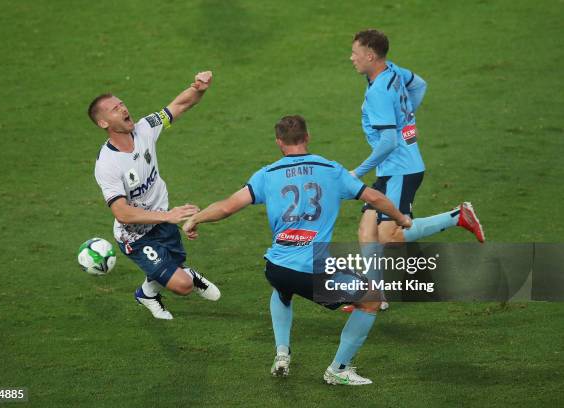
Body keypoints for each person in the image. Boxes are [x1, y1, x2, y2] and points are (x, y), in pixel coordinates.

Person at [182, 115, 417, 385]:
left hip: (277, 267)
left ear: (279, 143)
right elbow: (374, 197)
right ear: (307, 137)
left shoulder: (267, 174)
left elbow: (226, 206)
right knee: (371, 300)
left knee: (283, 287)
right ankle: (338, 370)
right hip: (311, 270)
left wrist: (195, 218)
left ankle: (282, 352)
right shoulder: (331, 170)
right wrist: (401, 218)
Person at [346, 29, 485, 311]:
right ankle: (376, 295)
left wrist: (356, 173)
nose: (352, 58)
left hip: (401, 168)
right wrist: (407, 117)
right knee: (366, 229)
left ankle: (458, 216)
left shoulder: (379, 93)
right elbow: (419, 84)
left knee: (389, 237)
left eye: (355, 53)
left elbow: (387, 142)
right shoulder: (393, 71)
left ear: (370, 56)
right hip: (393, 168)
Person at [88, 71, 220, 321]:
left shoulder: (145, 129)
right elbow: (121, 212)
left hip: (163, 221)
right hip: (135, 235)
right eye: (115, 109)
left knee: (173, 265)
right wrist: (167, 216)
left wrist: (199, 88)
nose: (124, 109)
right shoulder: (107, 163)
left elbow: (179, 105)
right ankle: (189, 277)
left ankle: (146, 293)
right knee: (183, 285)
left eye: (122, 104)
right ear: (104, 123)